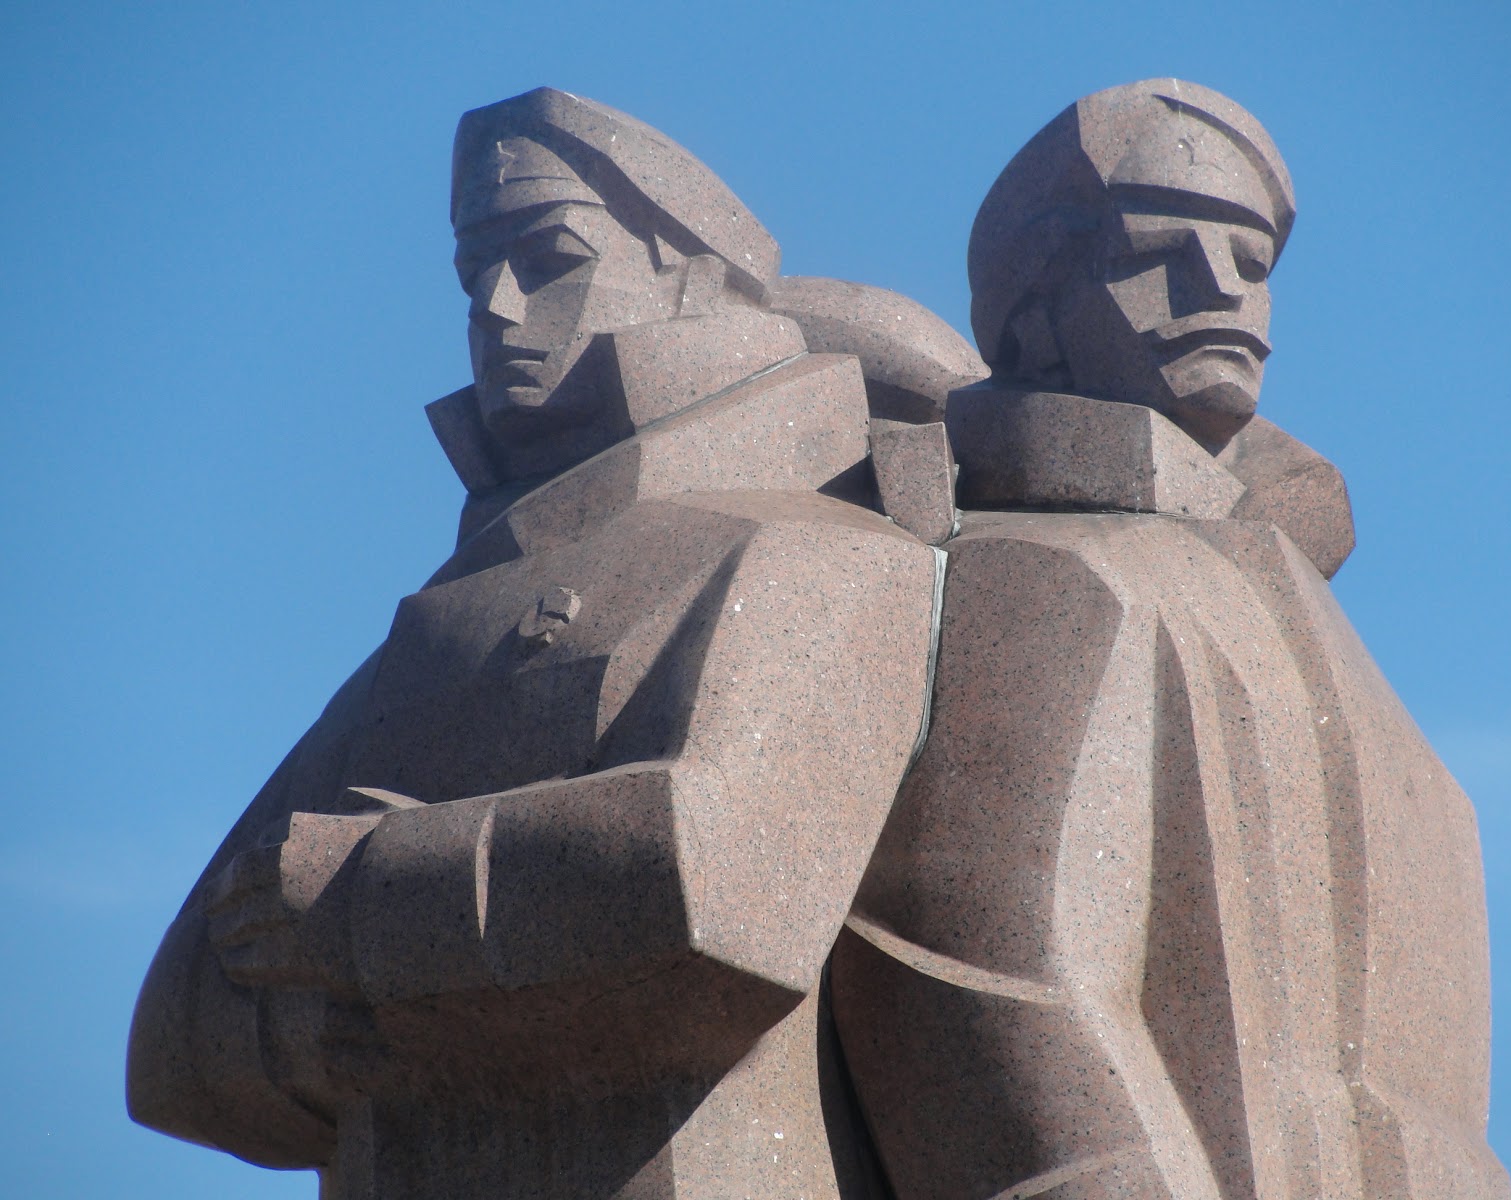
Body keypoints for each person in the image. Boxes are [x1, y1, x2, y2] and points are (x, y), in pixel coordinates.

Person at [128, 88, 947, 1200]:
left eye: (551, 257)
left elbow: (719, 891)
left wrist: (360, 902)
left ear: (696, 276)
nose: (497, 307)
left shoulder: (814, 547)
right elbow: (173, 1031)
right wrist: (326, 1034)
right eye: (475, 271)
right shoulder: (447, 615)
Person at [830, 80, 1511, 1200]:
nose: (1221, 288)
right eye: (1159, 250)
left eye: (1250, 259)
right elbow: (989, 974)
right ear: (1032, 313)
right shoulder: (1032, 570)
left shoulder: (1294, 602)